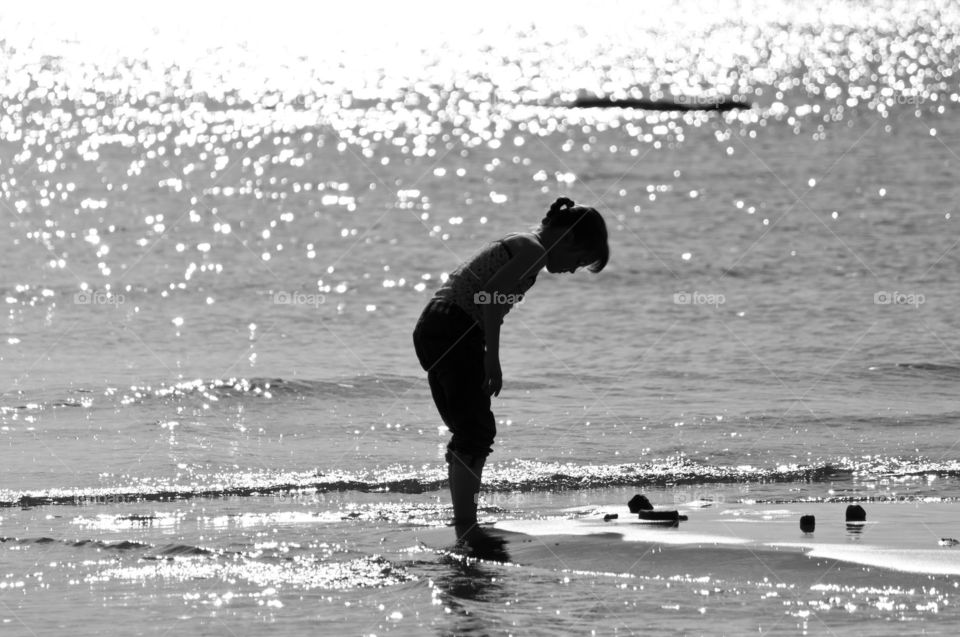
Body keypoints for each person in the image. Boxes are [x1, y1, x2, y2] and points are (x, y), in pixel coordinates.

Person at [412, 197, 609, 552]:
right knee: (475, 429)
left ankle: (464, 520)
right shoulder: (532, 250)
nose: (573, 270)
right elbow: (489, 298)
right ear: (566, 239)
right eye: (578, 261)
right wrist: (492, 358)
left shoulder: (526, 247)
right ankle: (466, 525)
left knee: (471, 428)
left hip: (437, 325)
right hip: (454, 325)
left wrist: (485, 348)